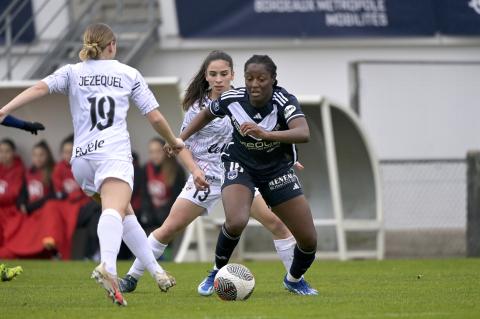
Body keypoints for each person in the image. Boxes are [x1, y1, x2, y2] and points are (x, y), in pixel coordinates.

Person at [0, 23, 184, 306]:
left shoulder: (72, 71)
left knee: (124, 213)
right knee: (114, 209)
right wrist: (173, 140)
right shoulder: (128, 73)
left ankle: (157, 272)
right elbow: (156, 118)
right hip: (113, 154)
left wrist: (4, 110)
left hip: (82, 159)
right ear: (112, 45)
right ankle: (108, 267)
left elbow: (39, 88)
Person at [118, 51, 296, 296]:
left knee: (276, 223)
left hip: (240, 175)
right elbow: (181, 146)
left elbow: (268, 136)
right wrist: (195, 170)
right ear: (206, 76)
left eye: (224, 74)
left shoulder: (247, 101)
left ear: (233, 75)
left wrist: (285, 159)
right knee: (169, 228)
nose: (219, 79)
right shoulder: (197, 108)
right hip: (207, 179)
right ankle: (132, 276)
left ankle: (295, 282)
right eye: (213, 74)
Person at [178, 54, 318, 295]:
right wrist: (181, 139)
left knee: (308, 241)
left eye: (261, 79)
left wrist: (266, 134)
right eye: (250, 78)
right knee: (236, 221)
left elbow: (303, 132)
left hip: (276, 170)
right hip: (239, 165)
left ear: (273, 79)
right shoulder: (233, 98)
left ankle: (294, 279)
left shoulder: (284, 100)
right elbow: (205, 114)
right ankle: (216, 272)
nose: (254, 84)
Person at [0, 141, 66, 259]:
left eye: (41, 155)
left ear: (48, 156)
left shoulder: (53, 172)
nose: (38, 158)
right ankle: (19, 251)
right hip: (29, 212)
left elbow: (53, 195)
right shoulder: (29, 173)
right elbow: (22, 194)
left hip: (43, 212)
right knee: (16, 226)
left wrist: (30, 207)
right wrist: (22, 205)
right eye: (35, 155)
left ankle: (52, 252)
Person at [139, 137, 186, 233]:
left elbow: (177, 198)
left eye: (158, 151)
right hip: (152, 215)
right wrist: (148, 215)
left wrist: (164, 217)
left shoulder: (176, 170)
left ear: (165, 151)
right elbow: (144, 195)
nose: (154, 155)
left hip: (169, 216)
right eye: (151, 152)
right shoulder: (146, 168)